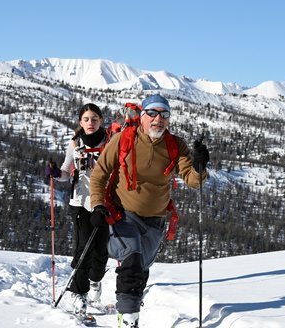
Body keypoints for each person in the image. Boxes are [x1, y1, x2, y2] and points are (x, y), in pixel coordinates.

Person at [89, 94, 209, 327]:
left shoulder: (176, 145)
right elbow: (100, 174)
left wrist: (200, 166)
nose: (158, 120)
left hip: (155, 219)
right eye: (152, 114)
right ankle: (128, 320)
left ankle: (129, 308)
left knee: (141, 268)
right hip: (123, 213)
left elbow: (194, 181)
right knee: (132, 259)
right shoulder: (125, 139)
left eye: (164, 115)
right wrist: (98, 205)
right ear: (142, 116)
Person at [45, 103, 110, 316]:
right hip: (80, 202)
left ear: (101, 121)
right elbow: (66, 171)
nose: (90, 123)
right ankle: (79, 294)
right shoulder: (75, 143)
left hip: (105, 204)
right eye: (86, 119)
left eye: (94, 119)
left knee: (101, 251)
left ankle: (95, 282)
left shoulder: (110, 142)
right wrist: (55, 173)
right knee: (83, 250)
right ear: (80, 122)